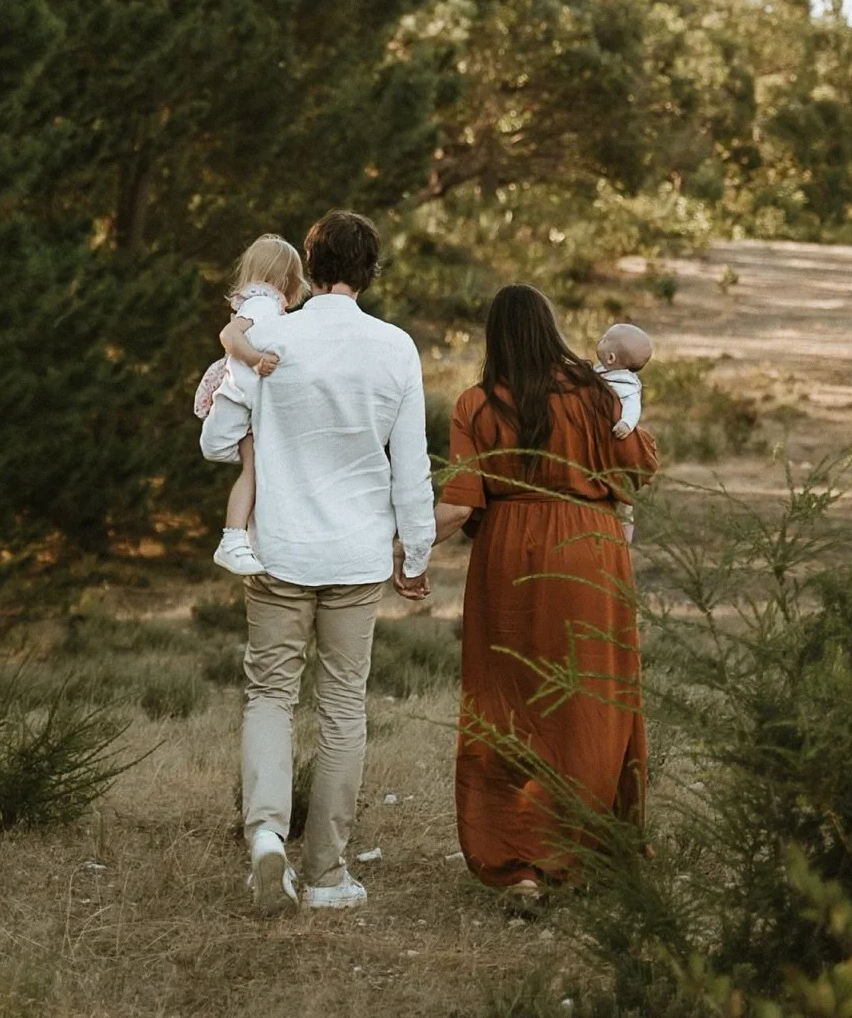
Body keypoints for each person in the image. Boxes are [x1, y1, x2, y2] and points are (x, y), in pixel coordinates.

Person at [200, 209, 435, 915]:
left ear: (310, 262)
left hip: (278, 548)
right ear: (370, 271)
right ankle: (328, 872)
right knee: (342, 705)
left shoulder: (268, 335)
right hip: (357, 554)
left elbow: (218, 440)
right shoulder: (396, 348)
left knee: (270, 695)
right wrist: (416, 553)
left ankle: (268, 835)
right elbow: (411, 466)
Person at [425, 284, 658, 896]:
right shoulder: (597, 393)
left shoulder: (476, 403)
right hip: (593, 554)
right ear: (551, 329)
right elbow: (639, 467)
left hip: (511, 556)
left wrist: (403, 551)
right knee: (591, 705)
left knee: (506, 703)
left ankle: (517, 864)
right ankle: (585, 855)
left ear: (494, 336)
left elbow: (455, 507)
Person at [192, 234, 307, 577]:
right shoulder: (262, 303)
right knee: (254, 470)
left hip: (242, 410)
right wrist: (256, 360)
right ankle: (232, 540)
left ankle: (243, 540)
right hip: (234, 406)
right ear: (284, 279)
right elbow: (229, 336)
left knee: (258, 468)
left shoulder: (266, 307)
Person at [594, 322, 654, 546]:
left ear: (610, 358)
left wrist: (627, 424)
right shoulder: (600, 371)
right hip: (604, 443)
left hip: (617, 440)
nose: (599, 340)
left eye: (604, 339)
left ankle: (625, 540)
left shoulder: (626, 383)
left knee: (623, 500)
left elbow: (632, 406)